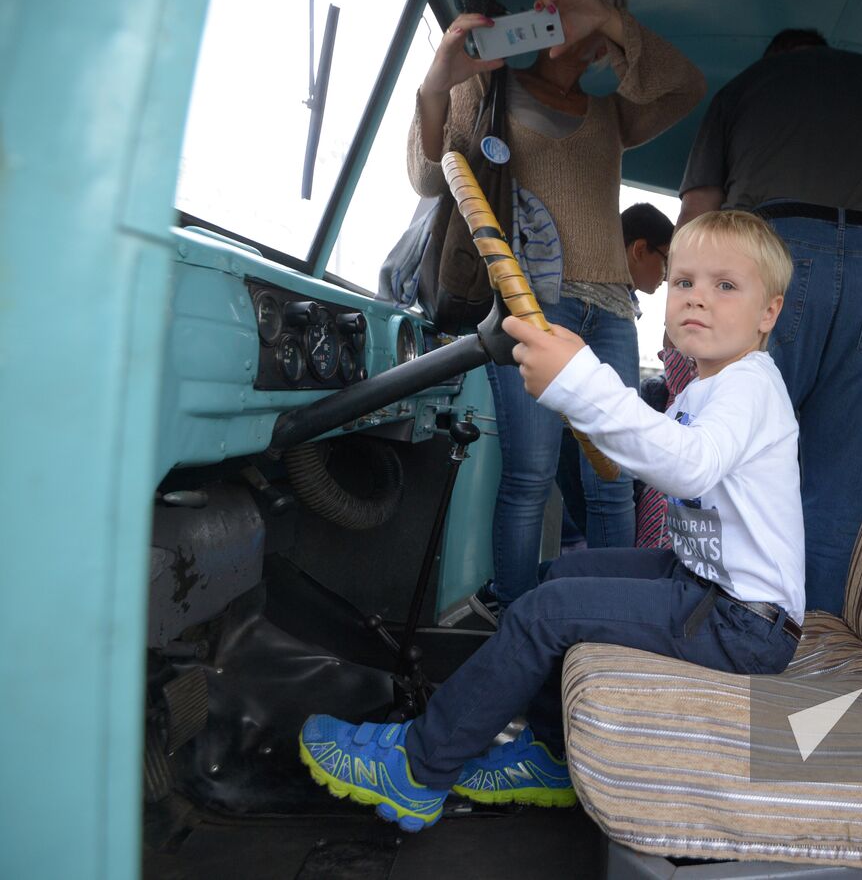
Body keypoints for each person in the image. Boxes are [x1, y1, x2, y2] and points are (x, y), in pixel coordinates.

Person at [299, 210, 804, 831]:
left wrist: (577, 382)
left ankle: (417, 770)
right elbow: (648, 445)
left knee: (544, 613)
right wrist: (578, 375)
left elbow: (690, 467)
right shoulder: (705, 385)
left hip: (743, 624)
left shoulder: (750, 385)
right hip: (703, 582)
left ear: (768, 314)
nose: (698, 297)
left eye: (726, 286)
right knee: (557, 576)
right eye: (683, 282)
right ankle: (549, 755)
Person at [409, 0, 705, 613]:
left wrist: (613, 22)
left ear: (600, 36)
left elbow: (686, 87)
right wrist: (437, 84)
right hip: (527, 304)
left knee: (612, 482)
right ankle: (516, 620)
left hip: (608, 312)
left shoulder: (611, 116)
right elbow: (432, 178)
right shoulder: (489, 86)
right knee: (531, 475)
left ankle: (608, 620)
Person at [676, 28, 862, 615]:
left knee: (732, 449)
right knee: (845, 482)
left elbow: (699, 214)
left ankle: (714, 624)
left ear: (777, 60)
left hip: (776, 247)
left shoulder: (746, 87)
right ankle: (811, 650)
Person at [556, 202, 676, 544]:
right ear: (640, 249)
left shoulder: (625, 307)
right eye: (666, 261)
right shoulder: (606, 312)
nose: (667, 275)